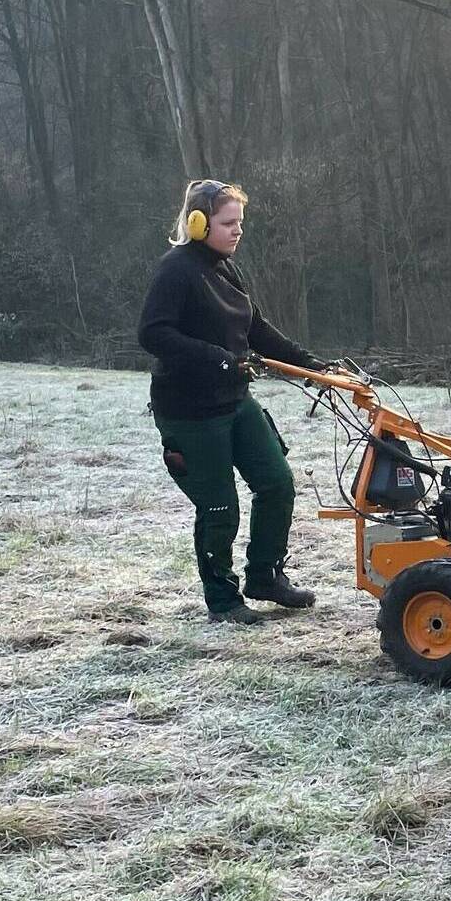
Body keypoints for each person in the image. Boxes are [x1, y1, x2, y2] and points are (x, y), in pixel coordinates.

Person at [138, 179, 325, 625]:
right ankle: (223, 601)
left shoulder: (226, 267)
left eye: (240, 222)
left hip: (235, 400)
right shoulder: (176, 270)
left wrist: (311, 364)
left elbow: (255, 327)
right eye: (228, 223)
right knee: (220, 505)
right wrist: (220, 360)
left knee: (277, 482)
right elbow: (153, 334)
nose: (238, 231)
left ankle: (264, 576)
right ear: (198, 223)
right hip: (190, 410)